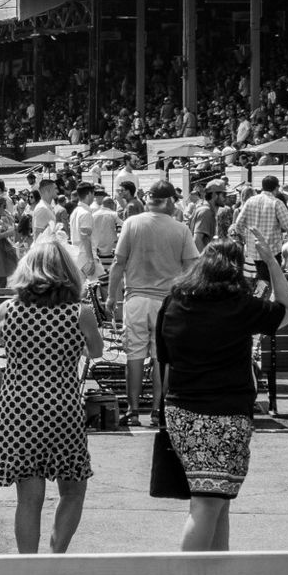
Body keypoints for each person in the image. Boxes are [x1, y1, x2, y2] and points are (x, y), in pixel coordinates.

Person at [156, 237, 288, 551]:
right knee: (208, 502)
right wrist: (272, 263)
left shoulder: (174, 301)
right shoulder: (239, 305)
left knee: (217, 500)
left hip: (181, 409)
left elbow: (163, 360)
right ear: (235, 271)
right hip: (225, 413)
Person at [0, 238, 103, 554]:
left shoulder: (9, 309)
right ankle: (56, 557)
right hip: (62, 407)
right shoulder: (79, 312)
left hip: (19, 409)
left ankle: (28, 564)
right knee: (72, 491)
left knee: (28, 498)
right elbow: (95, 350)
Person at [110, 180, 200, 427]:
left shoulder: (131, 223)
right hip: (166, 301)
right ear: (169, 201)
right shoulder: (180, 229)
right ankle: (159, 410)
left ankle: (133, 410)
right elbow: (192, 267)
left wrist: (111, 296)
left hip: (135, 298)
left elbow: (118, 263)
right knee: (163, 358)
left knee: (134, 355)